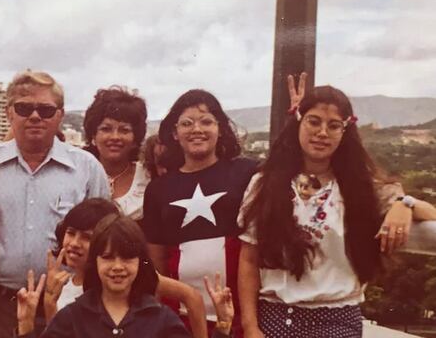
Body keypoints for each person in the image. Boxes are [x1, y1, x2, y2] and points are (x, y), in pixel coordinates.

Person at [237, 85, 415, 338]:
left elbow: (427, 211)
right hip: (272, 316)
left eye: (333, 126)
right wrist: (250, 327)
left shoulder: (361, 187)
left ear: (345, 131)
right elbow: (249, 259)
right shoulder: (265, 184)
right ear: (298, 122)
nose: (322, 133)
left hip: (335, 318)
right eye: (314, 122)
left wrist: (404, 205)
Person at [0, 70, 110, 338]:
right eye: (24, 108)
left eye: (45, 109)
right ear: (9, 113)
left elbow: (107, 237)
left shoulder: (88, 169)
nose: (34, 116)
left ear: (60, 115)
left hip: (67, 304)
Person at [140, 89, 258, 336]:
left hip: (238, 317)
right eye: (186, 123)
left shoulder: (246, 172)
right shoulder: (158, 189)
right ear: (174, 133)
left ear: (221, 129)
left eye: (206, 122)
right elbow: (157, 262)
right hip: (180, 320)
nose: (197, 129)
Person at [17, 214, 235, 337]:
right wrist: (26, 325)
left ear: (141, 262)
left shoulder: (162, 319)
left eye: (128, 258)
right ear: (95, 262)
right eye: (108, 257)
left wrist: (223, 325)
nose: (118, 267)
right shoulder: (72, 317)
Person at [43, 198, 209, 338]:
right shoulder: (61, 286)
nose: (74, 243)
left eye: (86, 237)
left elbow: (190, 296)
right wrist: (49, 304)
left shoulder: (133, 278)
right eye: (71, 233)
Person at [83, 86, 149, 220]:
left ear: (136, 138)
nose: (115, 137)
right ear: (93, 136)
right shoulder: (79, 174)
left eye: (124, 130)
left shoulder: (148, 178)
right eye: (106, 129)